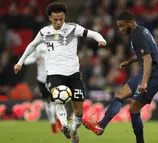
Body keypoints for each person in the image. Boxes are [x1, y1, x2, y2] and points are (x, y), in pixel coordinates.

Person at [13, 2, 106, 143]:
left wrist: (101, 39)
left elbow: (91, 33)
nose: (58, 22)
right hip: (54, 73)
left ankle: (74, 131)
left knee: (79, 112)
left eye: (61, 19)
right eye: (55, 19)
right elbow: (32, 45)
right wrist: (20, 62)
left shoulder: (73, 28)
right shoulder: (44, 32)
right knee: (58, 98)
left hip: (73, 74)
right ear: (50, 18)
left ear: (64, 17)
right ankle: (64, 125)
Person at [82, 11, 158, 143]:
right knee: (120, 95)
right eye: (119, 26)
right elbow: (146, 53)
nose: (120, 29)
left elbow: (148, 59)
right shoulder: (141, 32)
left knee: (133, 108)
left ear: (131, 23)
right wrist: (130, 62)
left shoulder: (138, 35)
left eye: (122, 26)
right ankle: (100, 126)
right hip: (149, 71)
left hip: (154, 74)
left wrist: (144, 82)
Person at [24, 43, 61, 134]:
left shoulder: (55, 46)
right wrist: (35, 58)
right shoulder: (37, 48)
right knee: (47, 102)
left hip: (52, 77)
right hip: (41, 79)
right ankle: (53, 123)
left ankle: (58, 121)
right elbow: (26, 61)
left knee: (55, 101)